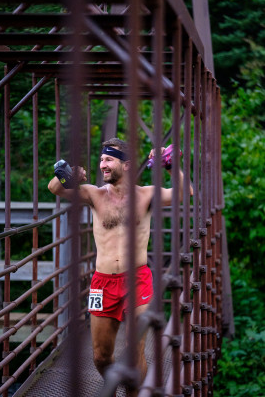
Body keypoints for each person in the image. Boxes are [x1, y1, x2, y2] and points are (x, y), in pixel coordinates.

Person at [48, 138, 191, 395]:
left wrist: (171, 164)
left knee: (134, 347)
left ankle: (133, 391)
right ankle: (112, 386)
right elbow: (54, 188)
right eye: (101, 159)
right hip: (102, 283)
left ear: (125, 165)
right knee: (100, 357)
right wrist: (69, 174)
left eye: (108, 159)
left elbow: (184, 194)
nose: (102, 165)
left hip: (137, 280)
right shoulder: (93, 194)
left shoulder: (145, 194)